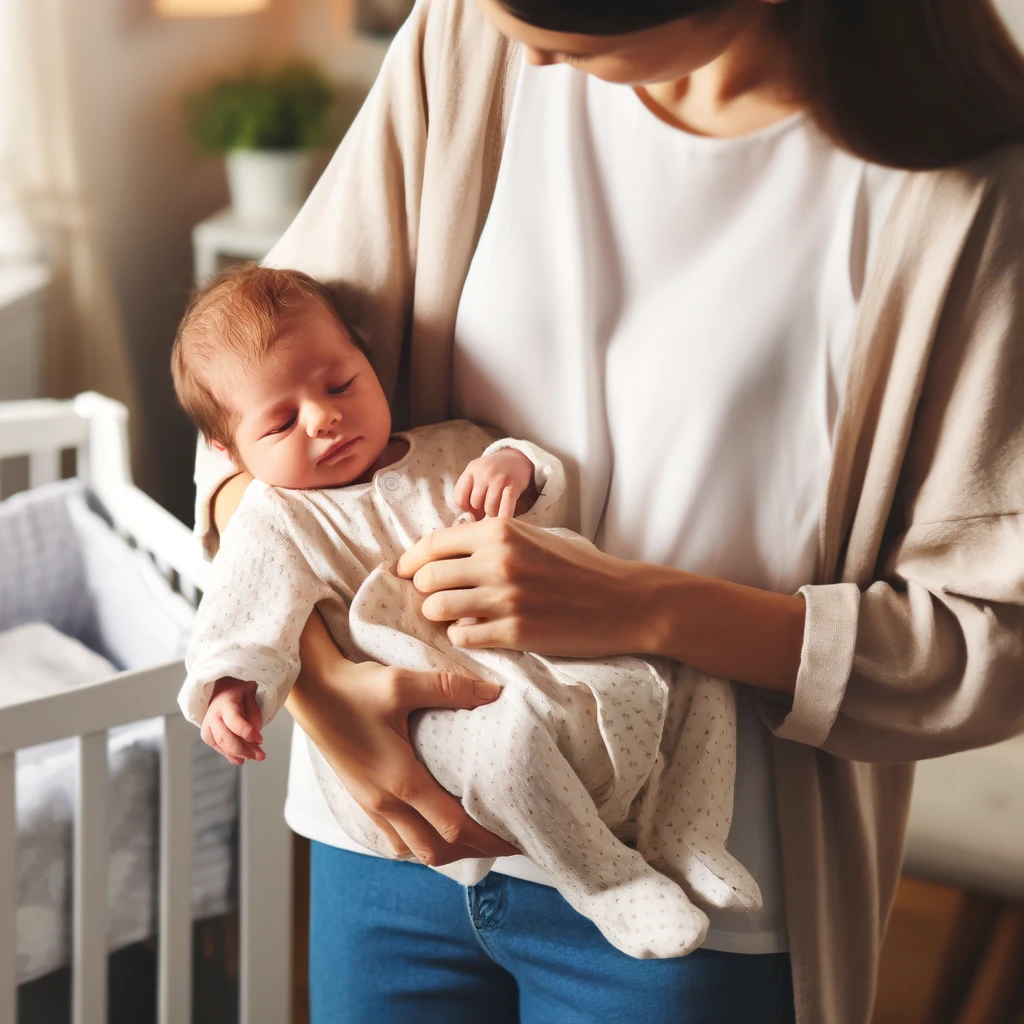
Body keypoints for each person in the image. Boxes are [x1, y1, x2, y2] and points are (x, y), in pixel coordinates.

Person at [194, 1, 1024, 1021]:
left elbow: (989, 637)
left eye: (574, 41)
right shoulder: (470, 39)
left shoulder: (965, 192)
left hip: (695, 889)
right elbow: (241, 413)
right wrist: (321, 690)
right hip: (391, 835)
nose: (531, 54)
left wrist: (647, 609)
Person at [174, 264, 761, 961]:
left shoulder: (451, 445)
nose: (324, 417)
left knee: (700, 675)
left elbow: (548, 504)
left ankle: (686, 833)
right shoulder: (276, 519)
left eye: (340, 384)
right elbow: (243, 616)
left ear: (370, 362)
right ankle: (607, 883)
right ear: (227, 450)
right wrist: (233, 688)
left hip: (545, 668)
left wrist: (516, 468)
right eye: (281, 421)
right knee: (506, 748)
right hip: (429, 726)